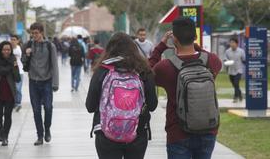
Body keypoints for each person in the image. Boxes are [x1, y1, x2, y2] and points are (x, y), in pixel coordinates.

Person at [149, 17, 222, 159]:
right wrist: (196, 47)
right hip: (208, 130)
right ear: (195, 37)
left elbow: (146, 73)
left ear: (174, 40)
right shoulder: (212, 60)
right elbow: (206, 57)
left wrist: (161, 47)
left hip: (178, 133)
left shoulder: (165, 67)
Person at [86, 32, 158, 159]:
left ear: (109, 49)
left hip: (105, 132)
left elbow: (90, 106)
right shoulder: (143, 71)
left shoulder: (102, 71)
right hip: (138, 132)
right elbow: (152, 105)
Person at [23, 22, 59, 146]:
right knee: (36, 110)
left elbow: (55, 65)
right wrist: (27, 55)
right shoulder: (28, 45)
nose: (34, 35)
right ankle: (40, 135)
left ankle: (47, 128)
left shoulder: (50, 46)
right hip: (33, 82)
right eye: (32, 33)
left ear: (42, 33)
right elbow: (24, 65)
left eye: (36, 33)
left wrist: (55, 83)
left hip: (47, 82)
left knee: (48, 107)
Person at [0, 41, 21, 146]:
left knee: (8, 115)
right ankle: (0, 129)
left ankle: (5, 136)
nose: (6, 51)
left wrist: (15, 67)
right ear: (1, 50)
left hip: (10, 92)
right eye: (4, 49)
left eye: (8, 50)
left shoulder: (13, 61)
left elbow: (18, 79)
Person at [224, 37, 245, 103]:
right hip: (231, 70)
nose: (232, 44)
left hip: (239, 70)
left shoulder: (241, 51)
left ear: (237, 44)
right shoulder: (227, 51)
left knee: (236, 83)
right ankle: (240, 94)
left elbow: (244, 59)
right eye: (231, 42)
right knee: (234, 85)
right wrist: (227, 61)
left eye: (233, 42)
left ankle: (235, 97)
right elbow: (225, 59)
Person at [10, 34, 24, 111]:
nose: (12, 41)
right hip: (10, 72)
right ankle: (13, 103)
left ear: (18, 41)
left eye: (14, 40)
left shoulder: (19, 49)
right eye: (11, 39)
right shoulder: (8, 49)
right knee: (12, 88)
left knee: (18, 88)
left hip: (19, 72)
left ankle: (18, 103)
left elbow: (18, 54)